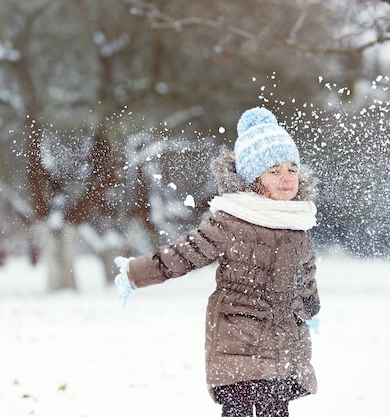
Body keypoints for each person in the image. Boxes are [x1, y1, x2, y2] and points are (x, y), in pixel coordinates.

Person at [114, 107, 320, 417]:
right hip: (237, 338)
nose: (286, 178)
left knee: (275, 411)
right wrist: (134, 272)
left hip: (282, 341)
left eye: (292, 168)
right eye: (274, 170)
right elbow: (182, 254)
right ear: (253, 177)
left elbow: (305, 274)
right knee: (237, 411)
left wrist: (310, 308)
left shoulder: (298, 222)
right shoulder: (231, 220)